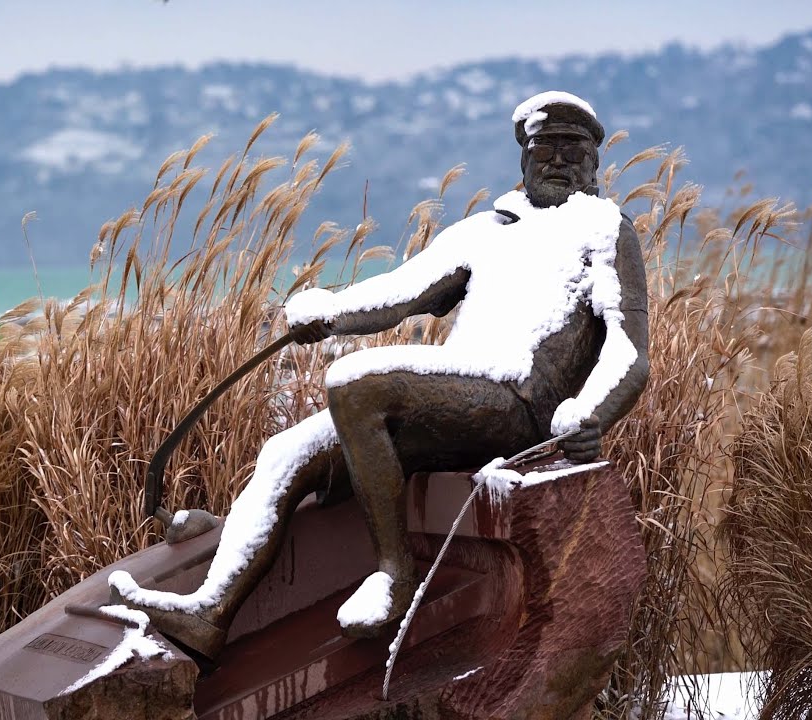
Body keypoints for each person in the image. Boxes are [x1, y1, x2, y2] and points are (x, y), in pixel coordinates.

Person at [109, 91, 650, 660]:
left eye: (574, 150)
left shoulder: (604, 231)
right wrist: (332, 312)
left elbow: (629, 351)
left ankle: (395, 577)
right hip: (463, 397)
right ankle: (211, 609)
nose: (559, 161)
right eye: (546, 149)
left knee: (355, 384)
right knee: (288, 452)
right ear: (524, 158)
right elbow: (401, 293)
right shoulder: (487, 231)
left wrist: (592, 413)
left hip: (522, 407)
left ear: (595, 161)